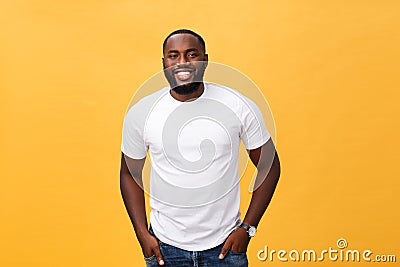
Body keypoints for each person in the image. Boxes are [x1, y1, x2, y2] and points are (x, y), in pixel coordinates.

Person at [120, 29, 281, 267]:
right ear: (164, 63)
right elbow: (128, 174)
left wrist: (247, 228)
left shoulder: (237, 105)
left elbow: (270, 165)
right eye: (173, 56)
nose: (182, 63)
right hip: (165, 247)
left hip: (225, 248)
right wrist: (142, 233)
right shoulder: (143, 112)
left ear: (205, 60)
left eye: (191, 54)